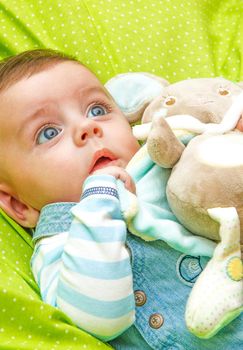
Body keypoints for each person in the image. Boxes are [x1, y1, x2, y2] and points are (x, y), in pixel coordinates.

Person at [0, 49, 241, 349]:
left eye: (97, 110)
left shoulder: (164, 158)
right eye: (49, 133)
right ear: (19, 205)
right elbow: (101, 319)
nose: (88, 128)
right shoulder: (58, 245)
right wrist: (100, 200)